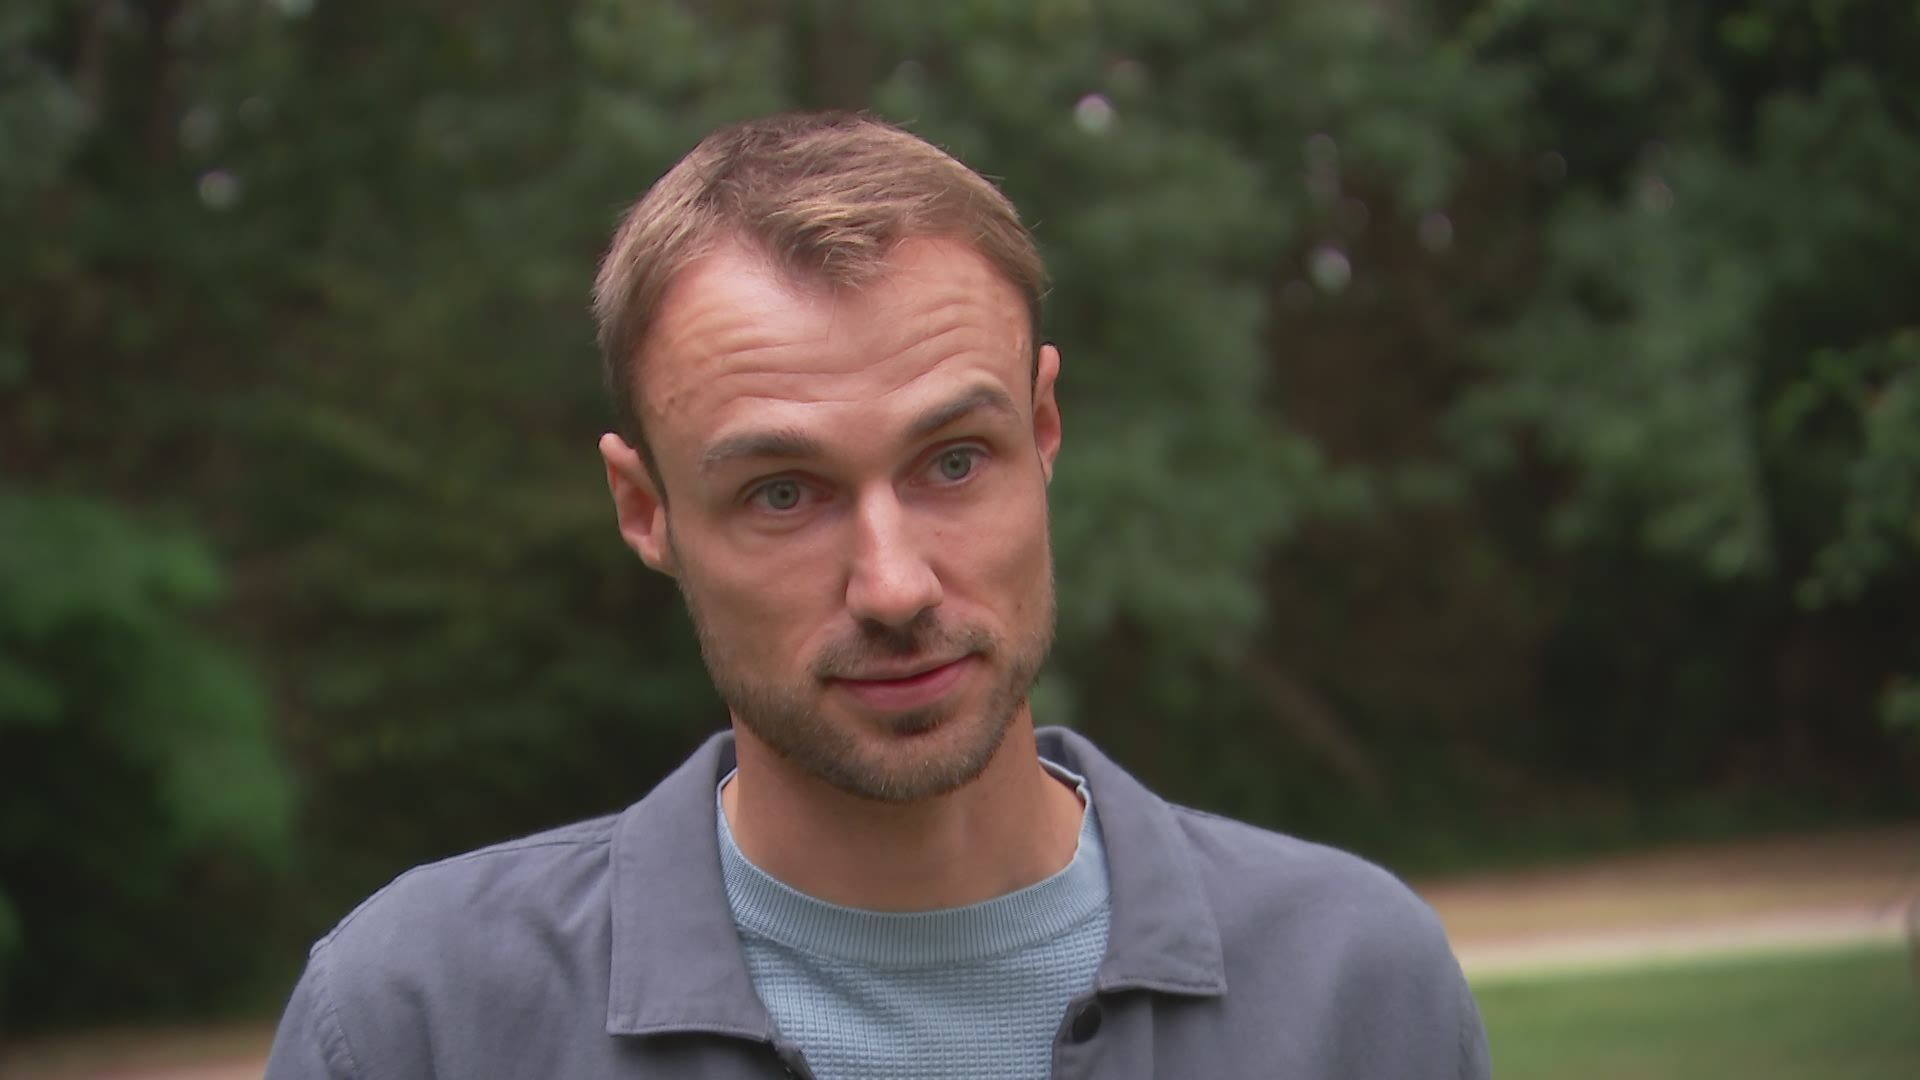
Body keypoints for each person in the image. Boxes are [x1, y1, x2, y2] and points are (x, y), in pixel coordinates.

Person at [265, 111, 1489, 1080]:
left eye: (953, 463)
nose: (894, 586)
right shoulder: (422, 1024)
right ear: (645, 510)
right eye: (782, 493)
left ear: (1043, 430)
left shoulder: (1354, 989)